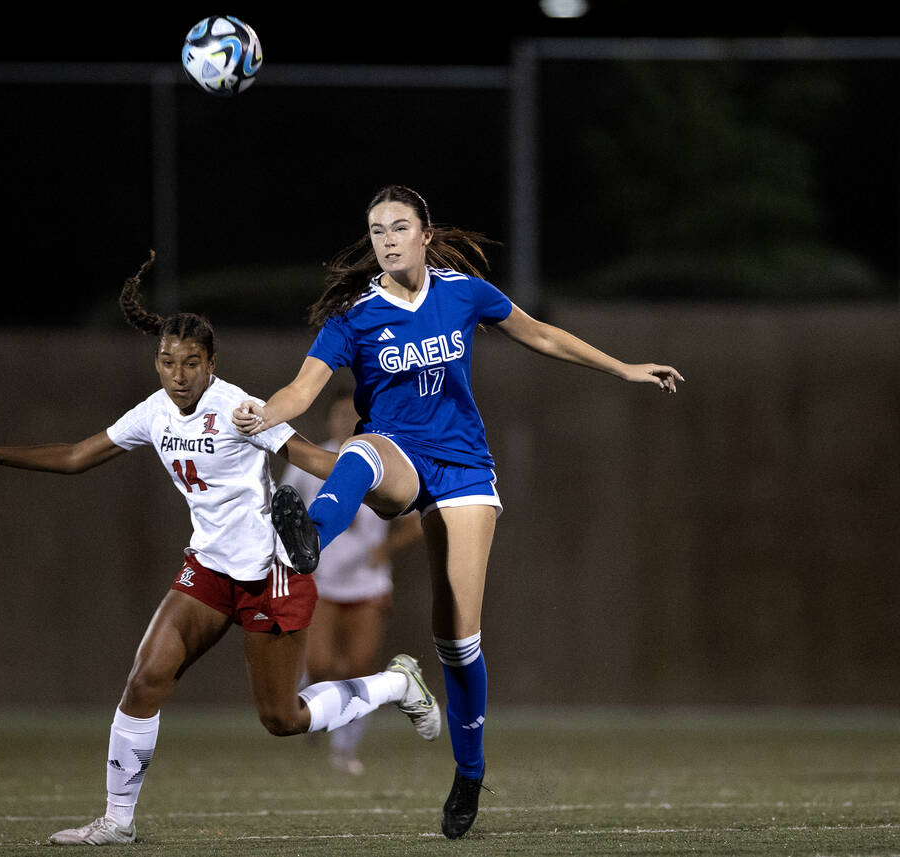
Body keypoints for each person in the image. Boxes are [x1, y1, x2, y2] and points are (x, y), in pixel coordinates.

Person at [0, 252, 442, 847]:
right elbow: (75, 456)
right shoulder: (153, 412)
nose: (177, 374)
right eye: (167, 362)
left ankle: (396, 686)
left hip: (272, 570)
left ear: (211, 364)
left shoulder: (240, 409)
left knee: (282, 719)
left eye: (190, 363)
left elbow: (313, 459)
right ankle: (117, 821)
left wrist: (388, 476)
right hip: (208, 569)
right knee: (145, 680)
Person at [233, 186, 683, 839]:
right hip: (397, 455)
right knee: (359, 447)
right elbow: (303, 388)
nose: (387, 239)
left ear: (424, 233)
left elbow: (541, 334)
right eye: (376, 230)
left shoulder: (461, 291)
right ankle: (310, 539)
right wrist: (263, 412)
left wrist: (622, 368)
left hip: (465, 468)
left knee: (458, 637)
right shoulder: (356, 316)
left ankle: (468, 770)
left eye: (398, 227)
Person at [280, 388, 422, 775]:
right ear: (328, 419)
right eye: (338, 415)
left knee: (360, 665)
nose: (344, 422)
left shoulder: (383, 457)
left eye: (351, 415)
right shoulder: (313, 460)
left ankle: (344, 749)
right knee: (322, 662)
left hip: (368, 584)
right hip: (322, 580)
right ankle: (311, 705)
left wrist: (385, 549)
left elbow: (415, 522)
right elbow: (284, 508)